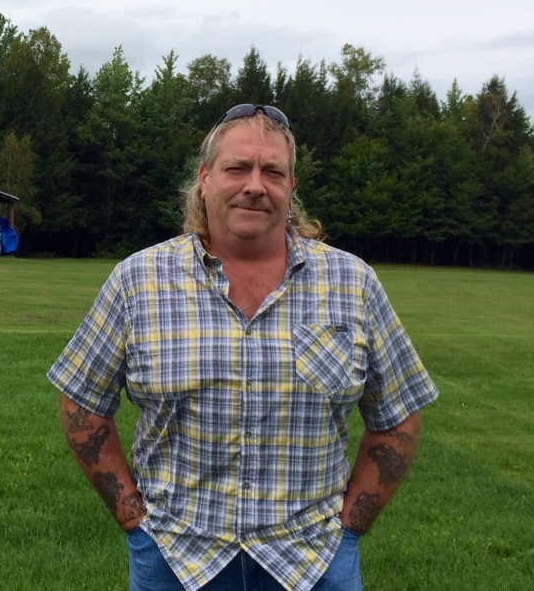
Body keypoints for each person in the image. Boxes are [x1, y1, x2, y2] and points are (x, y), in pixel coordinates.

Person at [47, 104, 438, 591]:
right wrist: (133, 519)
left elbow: (398, 413)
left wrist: (350, 527)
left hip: (314, 562)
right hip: (176, 559)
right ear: (205, 179)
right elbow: (82, 404)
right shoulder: (138, 281)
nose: (255, 184)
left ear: (290, 188)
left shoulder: (352, 283)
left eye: (273, 171)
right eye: (238, 168)